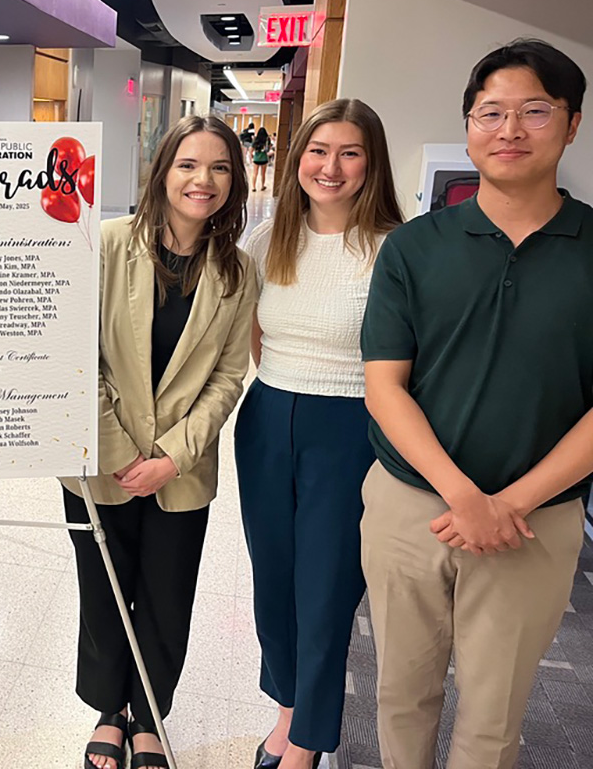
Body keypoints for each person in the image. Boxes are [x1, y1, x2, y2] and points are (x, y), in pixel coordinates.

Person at [361, 38, 590, 769]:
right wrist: (467, 498)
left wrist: (510, 504)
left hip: (538, 519)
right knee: (400, 692)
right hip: (410, 507)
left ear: (572, 124)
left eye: (534, 112)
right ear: (468, 126)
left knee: (495, 715)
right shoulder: (414, 248)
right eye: (490, 113)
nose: (509, 130)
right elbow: (384, 386)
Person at [60, 115, 258, 769]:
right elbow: (74, 355)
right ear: (162, 171)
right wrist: (121, 454)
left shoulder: (236, 272)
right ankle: (108, 711)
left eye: (220, 168)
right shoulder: (106, 245)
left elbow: (230, 375)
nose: (203, 180)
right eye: (188, 165)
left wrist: (174, 455)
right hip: (98, 462)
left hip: (184, 468)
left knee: (168, 595)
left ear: (235, 181)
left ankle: (147, 715)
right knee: (106, 589)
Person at [236, 99, 403, 769]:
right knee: (272, 577)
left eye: (350, 153)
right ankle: (285, 709)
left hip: (351, 428)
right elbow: (254, 333)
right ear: (296, 157)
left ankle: (307, 738)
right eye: (317, 150)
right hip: (269, 417)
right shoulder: (268, 236)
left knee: (327, 587)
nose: (329, 167)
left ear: (371, 164)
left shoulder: (395, 247)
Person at [251, 126, 271, 191]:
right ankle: (262, 186)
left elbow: (251, 150)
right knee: (263, 174)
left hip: (256, 158)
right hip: (264, 158)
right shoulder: (267, 140)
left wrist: (251, 156)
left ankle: (254, 187)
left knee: (255, 173)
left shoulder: (256, 140)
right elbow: (269, 149)